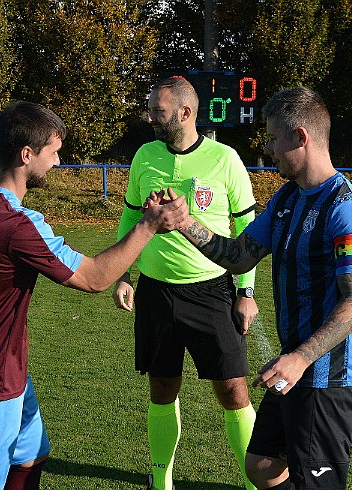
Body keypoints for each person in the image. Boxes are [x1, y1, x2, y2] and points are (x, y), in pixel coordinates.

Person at [0, 100, 187, 490]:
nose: (58, 162)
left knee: (32, 453)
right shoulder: (15, 222)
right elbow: (94, 278)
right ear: (26, 155)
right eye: (53, 152)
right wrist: (149, 225)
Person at [156, 86, 352, 490]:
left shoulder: (345, 210)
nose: (269, 148)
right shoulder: (288, 198)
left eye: (274, 138)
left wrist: (300, 358)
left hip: (329, 375)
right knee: (261, 465)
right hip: (295, 367)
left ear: (301, 138)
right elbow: (239, 255)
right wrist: (183, 223)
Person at [111, 76, 260, 490]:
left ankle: (253, 483)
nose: (150, 117)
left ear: (185, 113)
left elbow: (247, 230)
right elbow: (129, 216)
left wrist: (246, 291)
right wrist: (123, 272)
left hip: (211, 290)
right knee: (162, 387)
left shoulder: (225, 159)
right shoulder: (144, 156)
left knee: (233, 391)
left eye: (158, 111)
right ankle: (162, 482)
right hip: (156, 290)